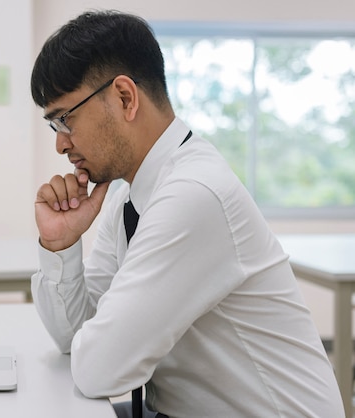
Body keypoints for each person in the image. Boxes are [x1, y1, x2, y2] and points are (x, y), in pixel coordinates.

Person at [29, 10, 344, 418]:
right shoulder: (131, 197)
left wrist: (101, 342)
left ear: (125, 97)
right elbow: (75, 340)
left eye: (65, 119)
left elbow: (98, 370)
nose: (61, 145)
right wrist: (61, 244)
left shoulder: (193, 195)